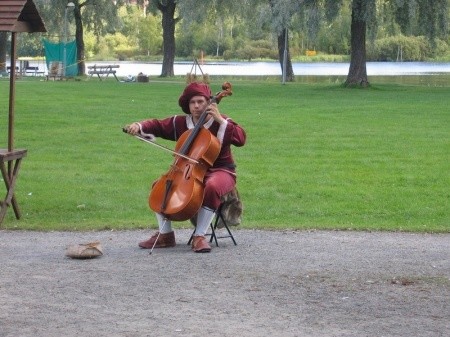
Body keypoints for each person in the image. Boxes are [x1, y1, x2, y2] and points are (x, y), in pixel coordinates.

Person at [125, 82, 246, 253]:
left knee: (211, 186)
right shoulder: (182, 123)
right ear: (187, 105)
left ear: (208, 103)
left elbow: (241, 139)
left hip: (222, 171)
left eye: (200, 102)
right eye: (192, 102)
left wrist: (220, 119)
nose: (196, 106)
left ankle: (199, 236)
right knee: (159, 186)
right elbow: (157, 125)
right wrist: (139, 126)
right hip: (190, 172)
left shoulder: (222, 121)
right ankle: (165, 235)